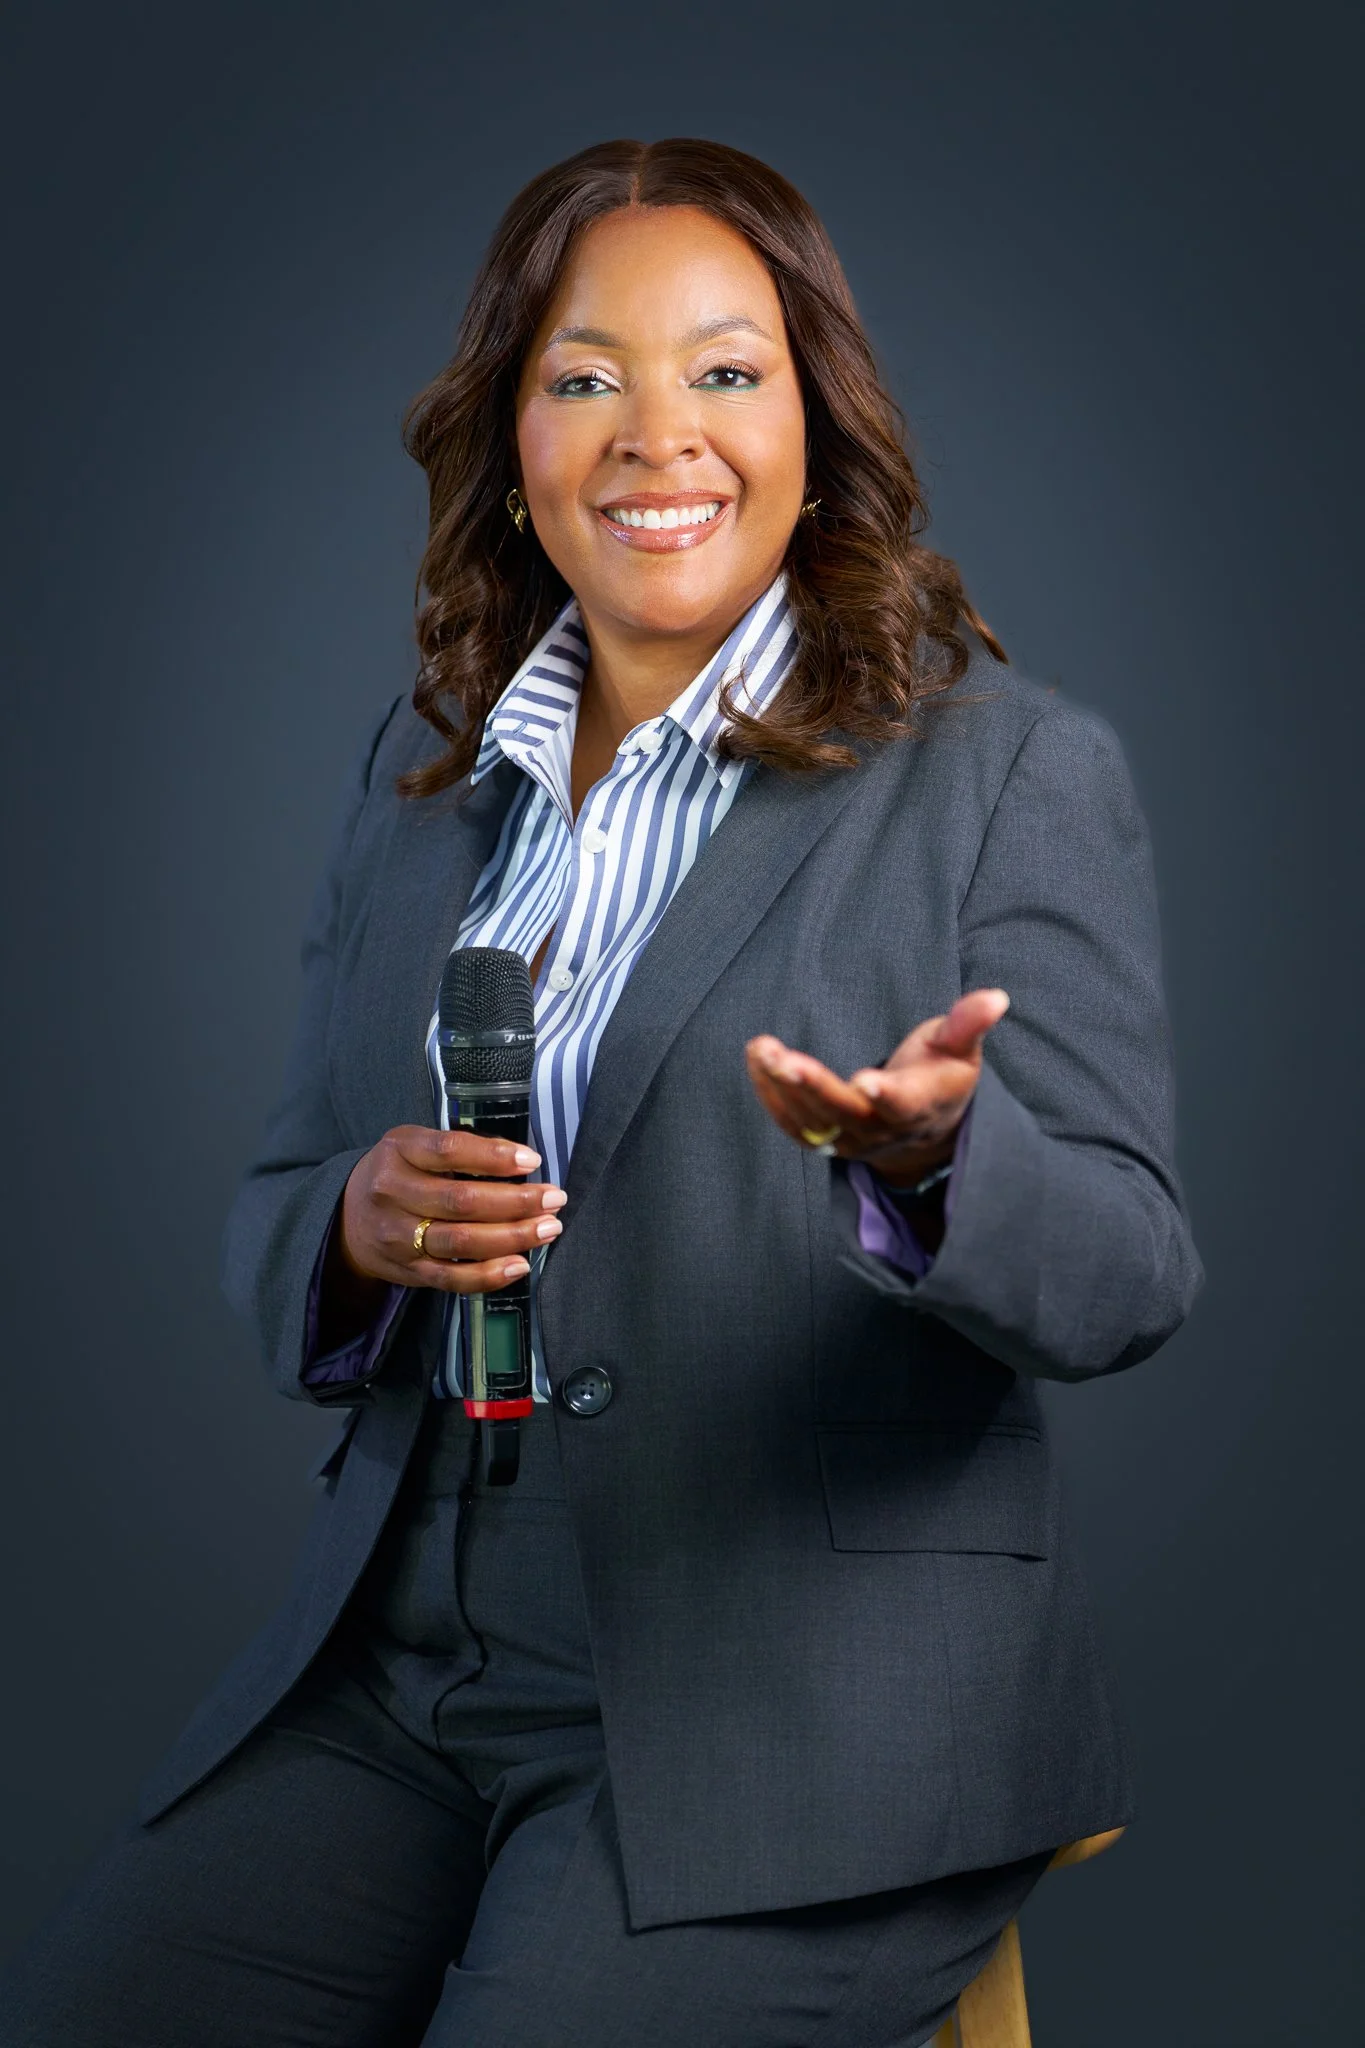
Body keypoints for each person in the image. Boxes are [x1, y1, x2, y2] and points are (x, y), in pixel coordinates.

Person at [0, 137, 1202, 2047]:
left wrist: (940, 1163)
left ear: (819, 415)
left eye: (727, 371)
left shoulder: (1007, 767)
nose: (660, 435)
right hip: (401, 1671)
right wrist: (351, 1232)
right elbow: (277, 1194)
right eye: (585, 378)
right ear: (512, 439)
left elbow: (1131, 1265)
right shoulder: (423, 762)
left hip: (796, 1713)